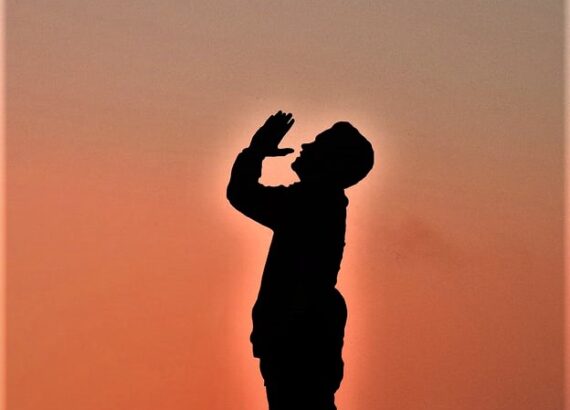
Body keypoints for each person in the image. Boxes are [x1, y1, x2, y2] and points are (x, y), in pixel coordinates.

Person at [227, 111, 374, 410]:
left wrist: (256, 152)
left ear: (332, 163)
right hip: (302, 329)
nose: (305, 146)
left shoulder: (311, 202)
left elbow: (241, 193)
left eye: (317, 144)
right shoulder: (320, 202)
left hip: (296, 332)